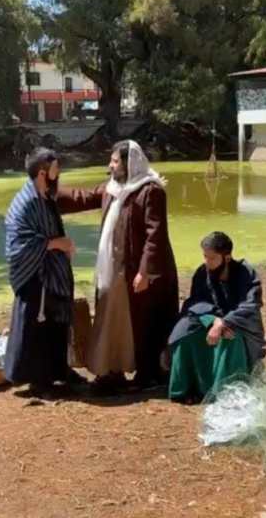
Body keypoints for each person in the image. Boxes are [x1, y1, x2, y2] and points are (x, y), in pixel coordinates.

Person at [59, 140, 179, 393]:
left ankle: (148, 375)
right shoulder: (112, 188)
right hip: (113, 269)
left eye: (115, 161)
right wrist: (49, 194)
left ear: (129, 163)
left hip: (138, 271)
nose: (110, 165)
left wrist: (145, 271)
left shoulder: (150, 191)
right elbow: (84, 197)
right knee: (114, 319)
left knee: (143, 323)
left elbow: (155, 235)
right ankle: (112, 370)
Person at [3, 148, 84, 395]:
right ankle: (39, 381)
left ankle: (59, 370)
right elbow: (19, 243)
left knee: (56, 324)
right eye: (56, 168)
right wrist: (57, 243)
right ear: (42, 172)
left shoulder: (43, 196)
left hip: (50, 272)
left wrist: (61, 245)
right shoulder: (28, 201)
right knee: (37, 329)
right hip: (35, 275)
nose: (58, 172)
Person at [168, 231, 266, 404]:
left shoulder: (246, 273)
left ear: (227, 257)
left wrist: (225, 322)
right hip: (211, 320)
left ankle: (223, 391)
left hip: (240, 324)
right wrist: (213, 321)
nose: (207, 262)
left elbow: (250, 306)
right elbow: (195, 303)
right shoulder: (202, 272)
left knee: (230, 337)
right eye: (205, 256)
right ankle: (188, 389)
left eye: (212, 258)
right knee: (184, 330)